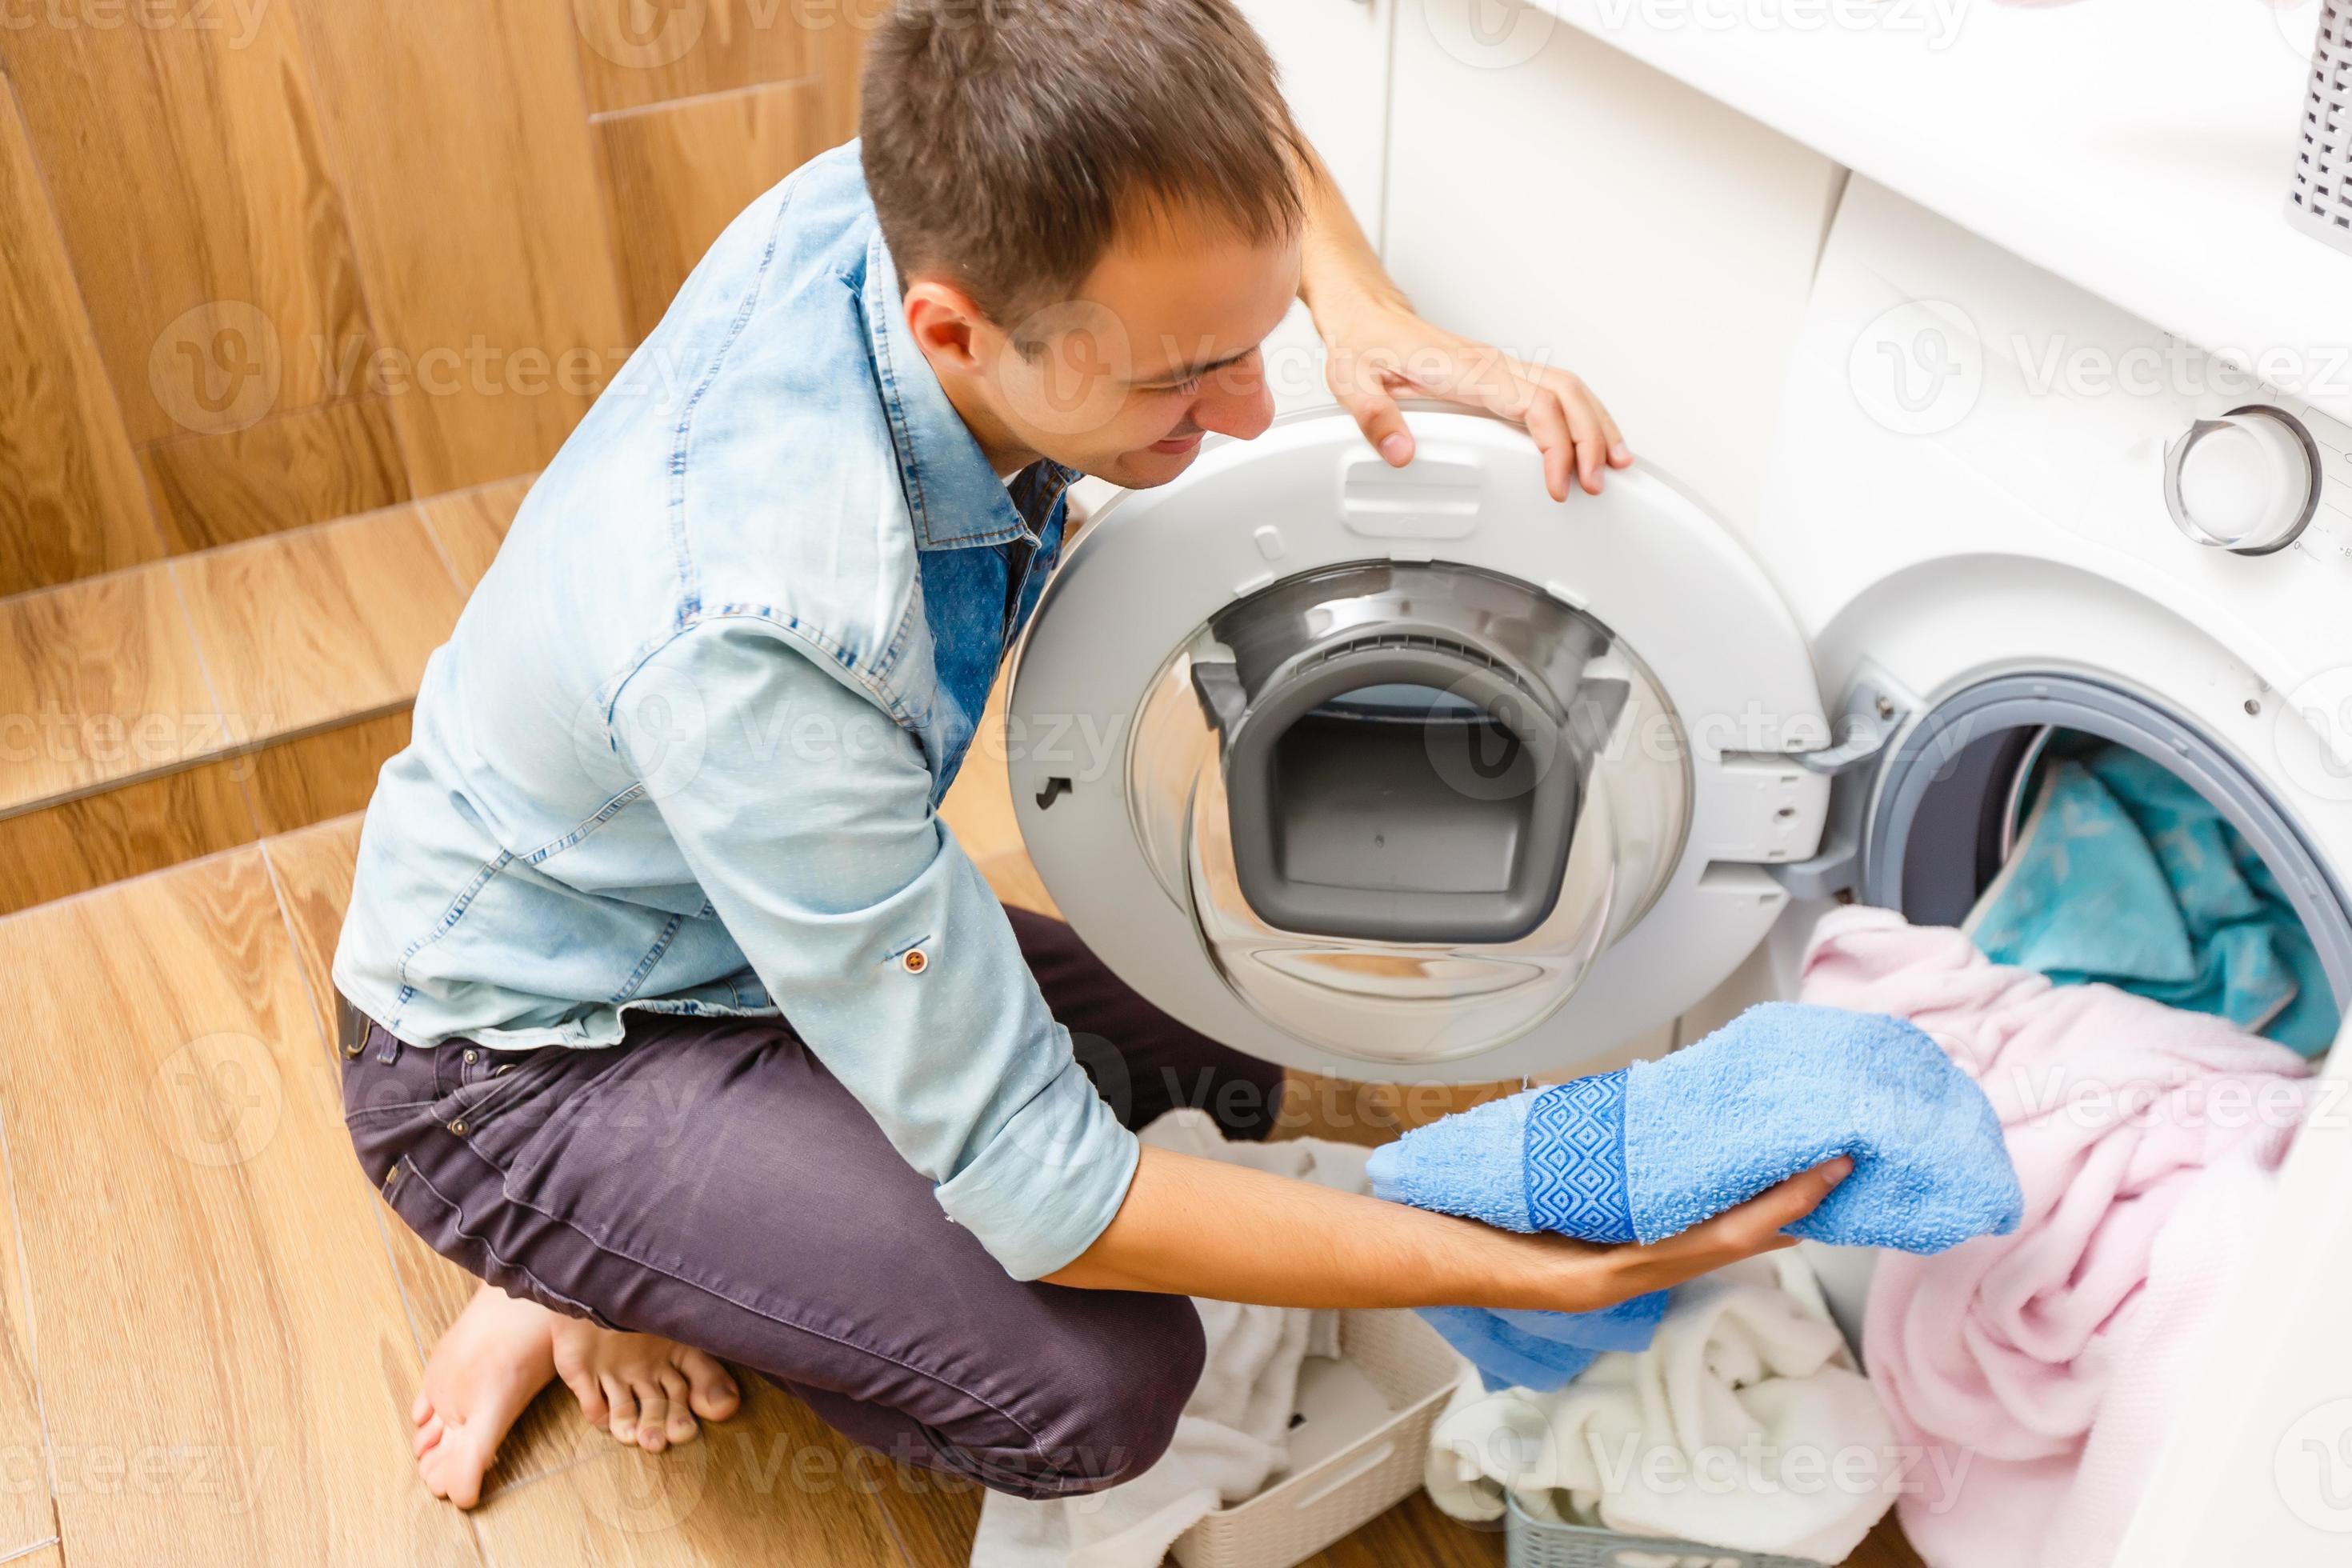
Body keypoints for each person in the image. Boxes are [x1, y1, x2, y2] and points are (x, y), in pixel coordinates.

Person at [332, 0, 1845, 1512]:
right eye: (1183, 378)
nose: (1251, 416)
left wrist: (1366, 312)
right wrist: (1550, 1273)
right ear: (953, 328)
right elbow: (1056, 1200)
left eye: (1253, 344)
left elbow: (1226, 144)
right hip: (537, 1051)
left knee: (1226, 1052)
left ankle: (726, 1199)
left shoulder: (941, 177)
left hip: (748, 902)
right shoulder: (767, 634)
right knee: (1098, 1391)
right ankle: (573, 1260)